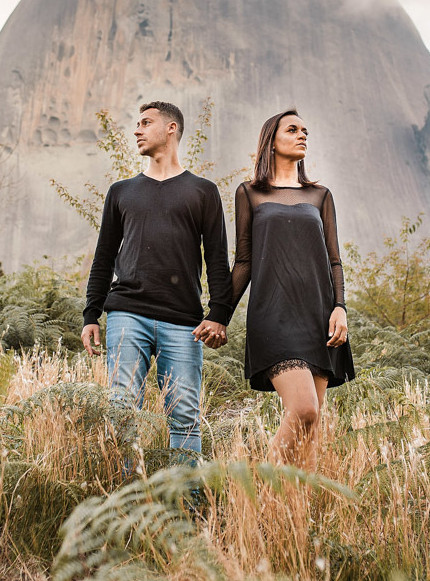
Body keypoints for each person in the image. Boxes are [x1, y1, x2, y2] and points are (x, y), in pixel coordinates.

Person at [81, 101, 232, 461]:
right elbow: (104, 256)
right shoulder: (121, 191)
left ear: (171, 129)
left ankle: (186, 505)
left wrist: (220, 315)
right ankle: (127, 501)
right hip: (126, 314)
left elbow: (217, 259)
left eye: (145, 123)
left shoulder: (203, 191)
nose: (137, 130)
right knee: (121, 410)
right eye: (136, 123)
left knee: (183, 416)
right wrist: (91, 314)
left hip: (183, 321)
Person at [230, 109, 355, 468]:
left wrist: (340, 307)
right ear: (271, 140)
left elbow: (334, 259)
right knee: (302, 410)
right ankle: (255, 494)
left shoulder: (320, 195)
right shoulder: (250, 193)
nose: (302, 135)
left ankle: (294, 516)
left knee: (312, 428)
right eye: (293, 129)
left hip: (319, 319)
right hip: (272, 316)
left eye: (305, 131)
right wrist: (218, 314)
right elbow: (244, 262)